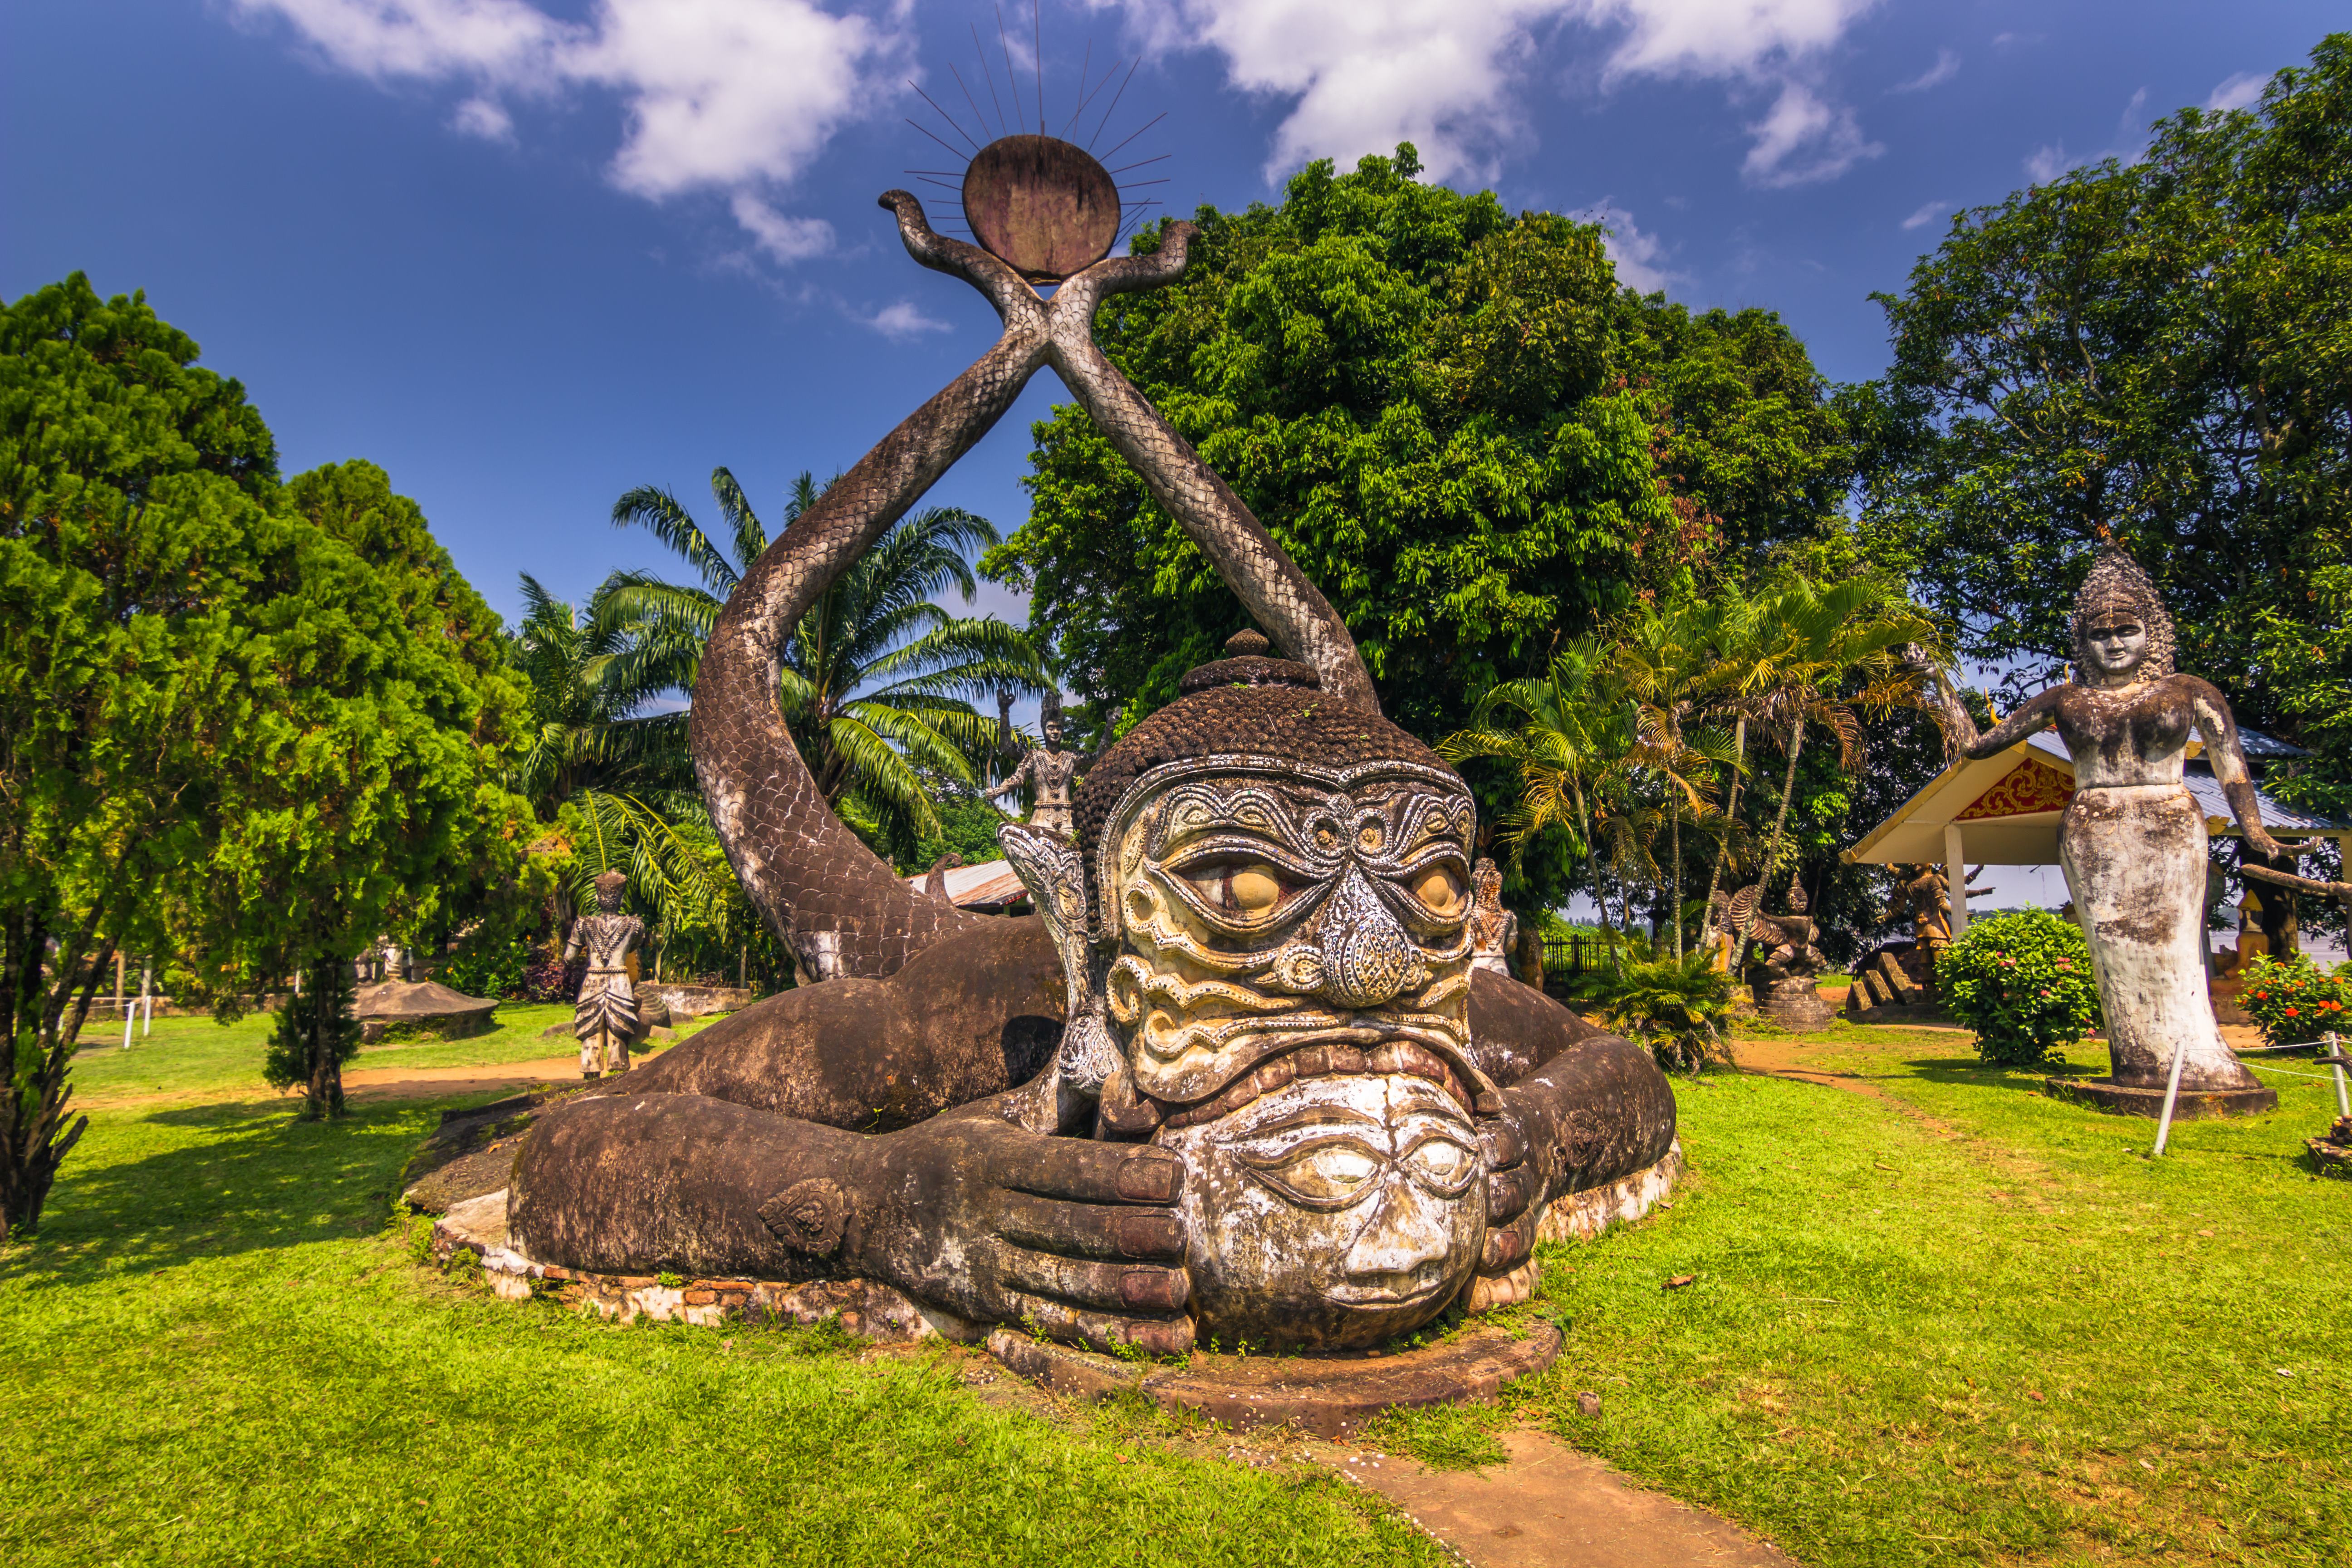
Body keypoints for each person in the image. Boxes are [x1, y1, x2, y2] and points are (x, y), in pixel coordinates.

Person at [1910, 548, 2281, 1097]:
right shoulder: (2068, 699)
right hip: (2094, 829)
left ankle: (2200, 1057)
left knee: (2178, 947)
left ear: (2151, 633)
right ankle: (2137, 1062)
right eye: (2099, 635)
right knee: (2115, 953)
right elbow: (1977, 747)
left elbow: (2234, 771)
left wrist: (2255, 830)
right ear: (2081, 644)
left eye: (2127, 631)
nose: (2114, 644)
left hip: (2171, 820)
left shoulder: (2189, 691)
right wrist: (1936, 682)